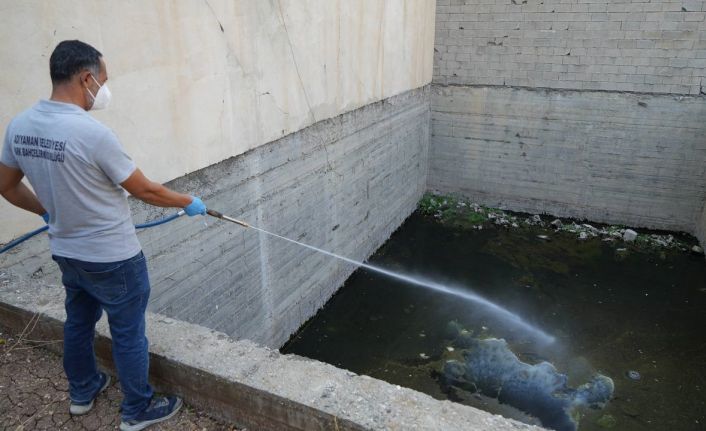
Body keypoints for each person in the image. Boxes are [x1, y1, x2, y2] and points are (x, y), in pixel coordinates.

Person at [0, 40, 206, 431]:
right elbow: (144, 189)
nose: (104, 89)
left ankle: (82, 391)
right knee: (128, 334)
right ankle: (137, 410)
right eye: (103, 80)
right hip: (114, 258)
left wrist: (46, 211)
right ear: (86, 77)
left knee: (78, 322)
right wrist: (188, 200)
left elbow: (6, 185)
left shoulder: (20, 125)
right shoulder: (92, 134)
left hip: (67, 251)